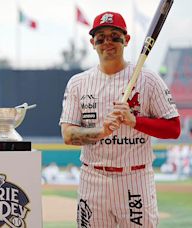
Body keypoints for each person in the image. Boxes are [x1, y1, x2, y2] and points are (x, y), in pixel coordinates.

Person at [59, 11, 180, 227]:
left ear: (126, 40)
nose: (108, 42)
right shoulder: (78, 83)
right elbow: (68, 135)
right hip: (93, 179)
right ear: (92, 42)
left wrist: (135, 121)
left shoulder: (149, 79)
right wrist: (101, 131)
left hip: (135, 178)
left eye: (115, 36)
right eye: (101, 37)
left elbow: (174, 128)